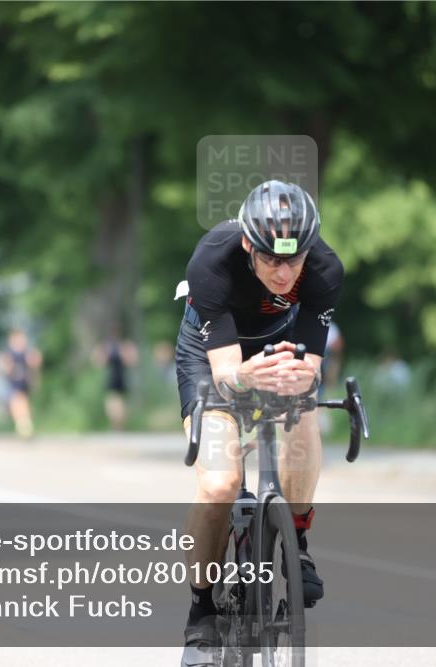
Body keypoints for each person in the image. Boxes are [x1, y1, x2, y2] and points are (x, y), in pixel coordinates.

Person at [176, 180, 342, 666]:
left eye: (295, 260)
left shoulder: (325, 269)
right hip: (212, 357)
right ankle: (202, 613)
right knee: (220, 484)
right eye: (272, 259)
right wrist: (245, 379)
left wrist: (295, 380)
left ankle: (297, 535)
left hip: (279, 346)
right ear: (249, 244)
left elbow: (309, 366)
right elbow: (228, 375)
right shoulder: (212, 261)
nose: (285, 272)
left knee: (302, 404)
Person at [92, 329, 138, 431]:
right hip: (110, 380)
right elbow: (98, 361)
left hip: (122, 380)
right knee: (111, 406)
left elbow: (132, 360)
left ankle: (119, 426)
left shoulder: (124, 346)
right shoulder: (107, 348)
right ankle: (115, 425)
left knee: (121, 407)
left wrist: (124, 353)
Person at [0, 330, 42, 439]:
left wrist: (34, 376)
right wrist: (10, 369)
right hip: (13, 383)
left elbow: (36, 362)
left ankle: (24, 427)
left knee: (22, 404)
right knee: (17, 404)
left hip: (23, 383)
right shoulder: (10, 353)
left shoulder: (27, 352)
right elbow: (2, 365)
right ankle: (24, 427)